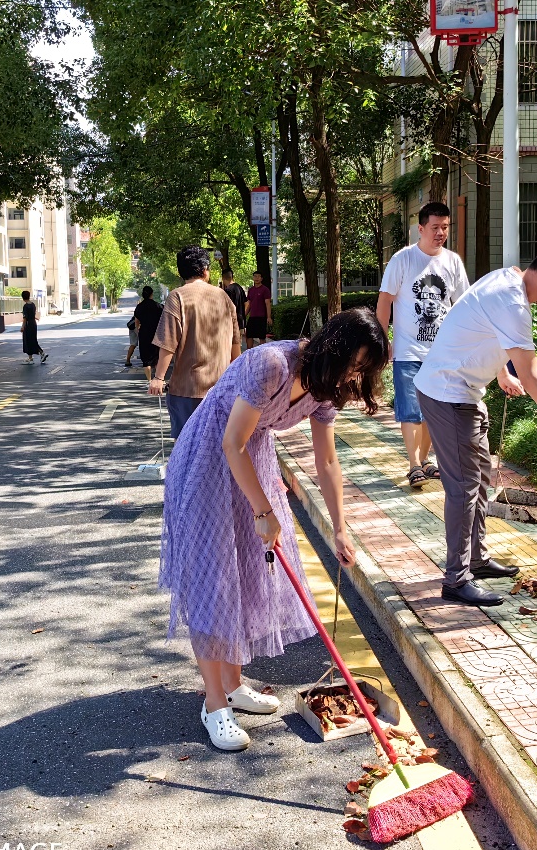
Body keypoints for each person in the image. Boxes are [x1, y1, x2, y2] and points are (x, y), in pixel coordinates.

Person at [160, 308, 389, 751]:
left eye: (363, 370)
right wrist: (264, 510)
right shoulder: (273, 365)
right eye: (354, 364)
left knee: (246, 572)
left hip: (251, 460)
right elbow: (231, 441)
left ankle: (232, 685)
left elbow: (327, 460)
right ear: (334, 349)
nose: (355, 376)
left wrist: (340, 528)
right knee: (214, 579)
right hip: (209, 458)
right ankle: (214, 704)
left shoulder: (326, 388)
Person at [414, 243, 537, 607]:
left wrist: (499, 372)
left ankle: (477, 559)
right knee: (464, 488)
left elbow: (476, 324)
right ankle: (455, 579)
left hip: (464, 392)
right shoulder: (513, 303)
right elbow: (533, 380)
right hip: (448, 394)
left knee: (481, 478)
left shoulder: (507, 278)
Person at [375, 201, 470, 490]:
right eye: (435, 227)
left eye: (445, 227)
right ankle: (414, 464)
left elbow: (463, 306)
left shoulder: (453, 262)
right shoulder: (402, 260)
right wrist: (383, 340)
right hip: (408, 350)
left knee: (434, 411)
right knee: (410, 408)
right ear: (421, 228)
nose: (441, 233)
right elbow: (384, 302)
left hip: (442, 353)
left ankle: (426, 459)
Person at [149, 246, 242, 440]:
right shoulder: (224, 297)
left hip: (187, 389)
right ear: (205, 270)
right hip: (221, 389)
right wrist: (238, 379)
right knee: (217, 446)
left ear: (181, 271)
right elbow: (235, 345)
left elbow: (168, 341)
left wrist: (158, 378)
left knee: (186, 446)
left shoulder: (177, 296)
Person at [132, 286, 163, 381]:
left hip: (144, 334)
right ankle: (158, 379)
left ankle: (149, 380)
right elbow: (163, 320)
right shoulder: (158, 306)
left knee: (146, 359)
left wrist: (138, 330)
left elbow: (136, 321)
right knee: (157, 357)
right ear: (152, 294)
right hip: (157, 334)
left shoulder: (139, 307)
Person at [244, 271, 271, 348]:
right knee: (249, 335)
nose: (257, 278)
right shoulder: (251, 290)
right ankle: (249, 352)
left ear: (261, 278)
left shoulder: (265, 289)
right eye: (255, 276)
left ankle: (262, 353)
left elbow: (268, 304)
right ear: (253, 278)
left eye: (258, 276)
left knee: (261, 337)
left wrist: (269, 317)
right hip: (252, 317)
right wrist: (244, 315)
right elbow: (249, 304)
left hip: (261, 317)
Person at [20, 290, 47, 364]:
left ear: (23, 297)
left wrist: (22, 326)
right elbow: (32, 314)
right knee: (33, 339)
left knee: (28, 341)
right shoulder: (33, 305)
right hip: (33, 323)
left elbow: (25, 318)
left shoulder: (26, 306)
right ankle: (31, 357)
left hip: (28, 324)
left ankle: (38, 354)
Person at [221, 267, 248, 337]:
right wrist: (242, 315)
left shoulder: (228, 290)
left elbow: (227, 308)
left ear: (223, 278)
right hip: (241, 322)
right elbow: (247, 303)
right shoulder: (239, 287)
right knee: (238, 342)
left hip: (231, 323)